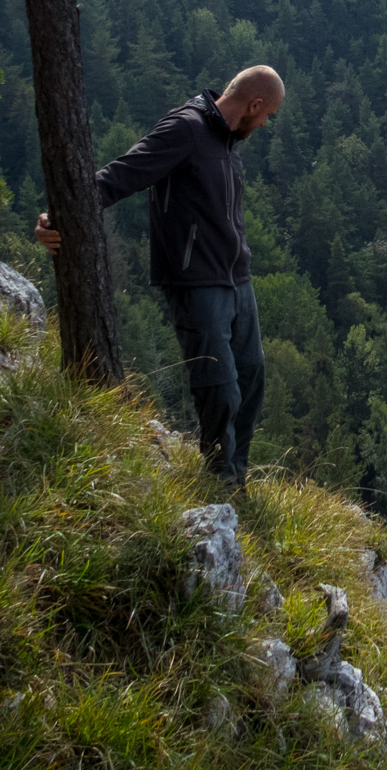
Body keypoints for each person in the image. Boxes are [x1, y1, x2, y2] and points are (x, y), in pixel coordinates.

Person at [36, 65, 284, 484]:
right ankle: (219, 481)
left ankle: (235, 479)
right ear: (254, 103)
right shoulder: (185, 129)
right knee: (219, 388)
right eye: (266, 115)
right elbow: (121, 175)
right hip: (196, 283)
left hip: (237, 280)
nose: (264, 124)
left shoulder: (227, 140)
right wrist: (57, 216)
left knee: (250, 380)